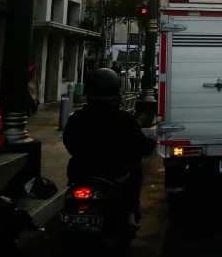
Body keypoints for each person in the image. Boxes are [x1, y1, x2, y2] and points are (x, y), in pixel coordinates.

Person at [63, 68, 156, 227]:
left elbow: (69, 143)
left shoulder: (77, 118)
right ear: (117, 94)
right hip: (115, 173)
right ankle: (131, 214)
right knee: (136, 172)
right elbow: (142, 147)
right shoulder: (125, 120)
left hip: (80, 172)